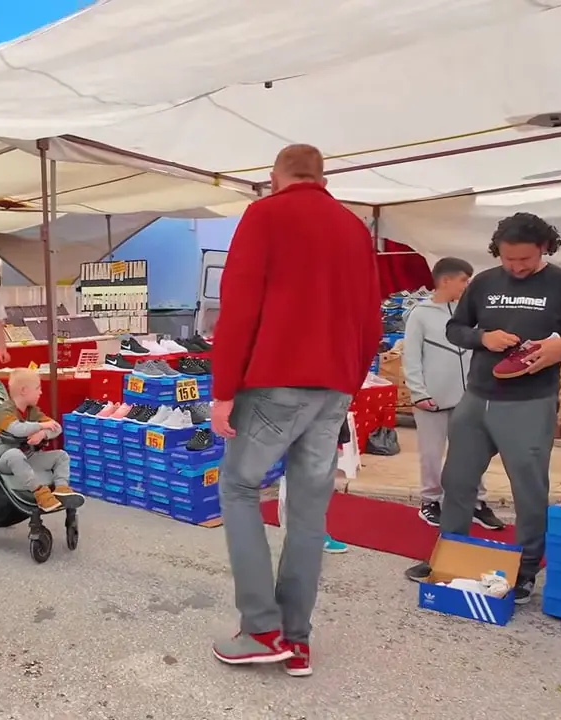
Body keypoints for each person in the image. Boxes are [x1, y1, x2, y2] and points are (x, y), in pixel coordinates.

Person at [208, 144, 381, 676]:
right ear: (322, 175)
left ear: (273, 177)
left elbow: (238, 306)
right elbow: (371, 318)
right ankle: (296, 640)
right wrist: (348, 383)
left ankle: (260, 628)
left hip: (273, 381)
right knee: (308, 513)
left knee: (238, 489)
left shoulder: (264, 215)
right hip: (333, 388)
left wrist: (222, 391)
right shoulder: (354, 228)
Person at [402, 213, 561, 603]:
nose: (517, 267)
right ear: (497, 252)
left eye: (525, 259)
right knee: (456, 482)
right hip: (475, 398)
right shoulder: (486, 282)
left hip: (529, 403)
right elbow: (456, 329)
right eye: (509, 259)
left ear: (544, 248)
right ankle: (448, 553)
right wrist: (482, 337)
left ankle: (523, 571)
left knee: (528, 490)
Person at [402, 257, 505, 531]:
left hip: (469, 398)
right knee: (432, 454)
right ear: (446, 280)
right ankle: (430, 501)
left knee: (472, 453)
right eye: (464, 280)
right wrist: (418, 392)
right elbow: (410, 357)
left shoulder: (469, 313)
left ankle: (476, 502)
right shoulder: (420, 314)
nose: (467, 286)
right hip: (431, 400)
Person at [0, 368, 82, 512]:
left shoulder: (32, 411)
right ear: (24, 390)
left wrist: (42, 434)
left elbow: (56, 427)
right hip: (4, 459)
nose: (41, 392)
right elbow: (17, 429)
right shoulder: (4, 411)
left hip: (28, 455)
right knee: (15, 455)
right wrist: (42, 425)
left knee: (61, 456)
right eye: (38, 388)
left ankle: (61, 488)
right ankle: (40, 493)